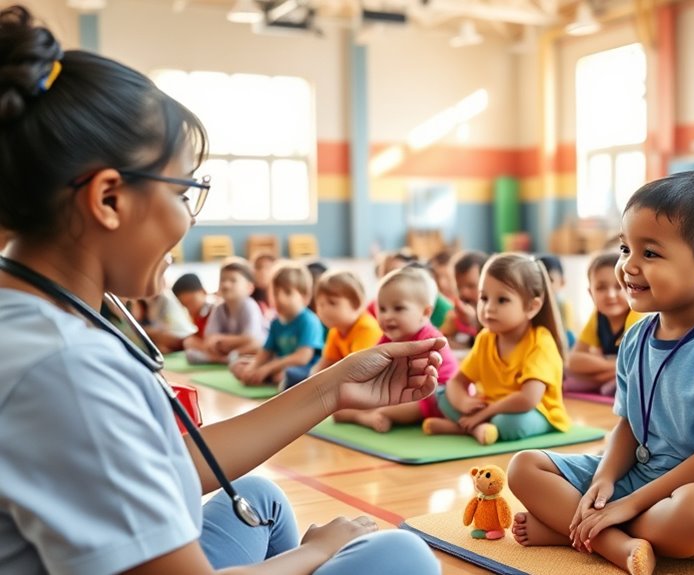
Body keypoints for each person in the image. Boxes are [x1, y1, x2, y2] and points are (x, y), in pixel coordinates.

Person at [0, 7, 442, 574]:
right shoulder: (66, 369)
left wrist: (331, 389)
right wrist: (317, 551)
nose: (189, 218)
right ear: (109, 199)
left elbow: (160, 464)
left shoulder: (34, 314)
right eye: (183, 191)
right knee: (401, 553)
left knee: (258, 498)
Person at [507, 172, 694, 574]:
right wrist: (606, 480)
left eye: (649, 254)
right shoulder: (637, 336)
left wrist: (629, 503)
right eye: (625, 248)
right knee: (524, 467)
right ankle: (615, 542)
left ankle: (572, 528)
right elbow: (629, 425)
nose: (628, 266)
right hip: (648, 475)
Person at [423, 253, 571, 445]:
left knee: (509, 423)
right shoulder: (486, 338)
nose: (489, 308)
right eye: (484, 298)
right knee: (441, 394)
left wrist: (484, 413)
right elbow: (456, 383)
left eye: (502, 300)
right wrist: (464, 403)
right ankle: (477, 429)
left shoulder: (540, 341)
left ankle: (464, 427)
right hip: (490, 407)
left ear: (532, 307)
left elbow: (528, 399)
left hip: (535, 412)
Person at [334, 266, 459, 431]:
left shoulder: (430, 340)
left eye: (398, 308)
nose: (387, 316)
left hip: (432, 395)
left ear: (425, 312)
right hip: (397, 393)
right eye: (382, 309)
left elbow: (424, 384)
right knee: (340, 407)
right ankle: (364, 417)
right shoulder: (387, 339)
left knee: (404, 404)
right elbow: (371, 372)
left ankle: (381, 414)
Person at [233, 263, 324, 389]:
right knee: (238, 366)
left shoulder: (309, 320)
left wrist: (268, 368)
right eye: (275, 293)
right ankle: (265, 377)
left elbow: (302, 358)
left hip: (305, 368)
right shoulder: (276, 322)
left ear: (305, 297)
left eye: (288, 293)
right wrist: (252, 368)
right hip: (279, 365)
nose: (280, 299)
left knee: (288, 375)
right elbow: (266, 352)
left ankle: (272, 378)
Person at [564, 251, 643, 396]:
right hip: (613, 371)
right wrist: (612, 365)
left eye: (619, 287)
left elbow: (636, 363)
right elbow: (573, 359)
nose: (610, 295)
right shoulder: (597, 316)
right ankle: (607, 383)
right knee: (567, 370)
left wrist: (600, 362)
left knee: (634, 375)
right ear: (590, 293)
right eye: (601, 288)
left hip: (634, 373)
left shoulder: (637, 315)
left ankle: (609, 384)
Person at [184, 258, 265, 364]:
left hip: (245, 348)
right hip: (225, 348)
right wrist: (218, 342)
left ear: (249, 287)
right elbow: (209, 338)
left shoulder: (249, 305)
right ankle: (224, 359)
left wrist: (221, 339)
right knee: (189, 342)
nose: (226, 285)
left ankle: (221, 359)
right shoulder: (219, 308)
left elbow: (251, 338)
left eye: (233, 280)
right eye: (223, 280)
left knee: (257, 344)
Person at [440, 249, 488, 349]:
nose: (463, 293)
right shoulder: (456, 313)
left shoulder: (498, 314)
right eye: (459, 287)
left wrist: (475, 322)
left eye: (471, 286)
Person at [538, 253, 576, 348]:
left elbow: (568, 335)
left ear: (562, 282)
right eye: (539, 280)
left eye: (550, 280)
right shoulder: (534, 302)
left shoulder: (563, 304)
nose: (544, 285)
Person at [173, 272, 211, 340]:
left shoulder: (212, 310)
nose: (190, 309)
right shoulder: (197, 317)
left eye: (192, 302)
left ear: (204, 292)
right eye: (185, 306)